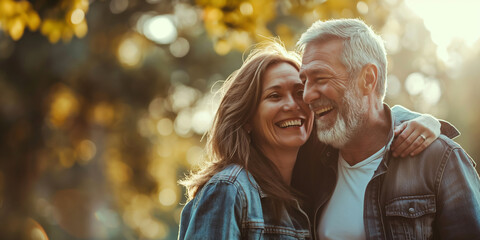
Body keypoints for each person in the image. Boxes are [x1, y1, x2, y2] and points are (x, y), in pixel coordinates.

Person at [177, 40, 446, 239]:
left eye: (299, 92)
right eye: (274, 96)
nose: (293, 105)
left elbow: (366, 116)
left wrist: (422, 121)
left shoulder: (312, 190)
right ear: (246, 118)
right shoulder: (230, 190)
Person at [293, 18, 480, 239]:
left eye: (321, 78)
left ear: (368, 79)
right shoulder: (311, 160)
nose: (307, 96)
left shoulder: (440, 159)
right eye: (305, 81)